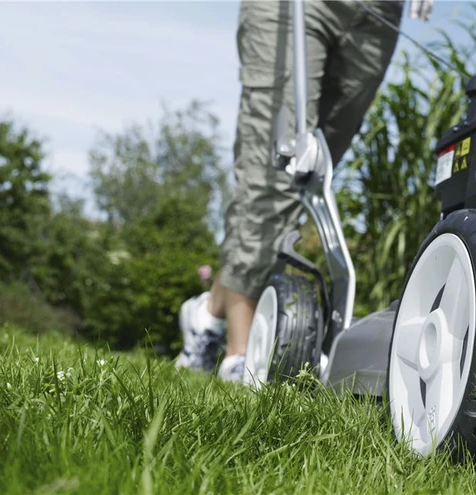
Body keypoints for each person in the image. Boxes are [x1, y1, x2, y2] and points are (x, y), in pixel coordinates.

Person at [175, 0, 433, 383]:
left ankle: (210, 311)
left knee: (310, 172)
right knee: (277, 165)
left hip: (377, 15)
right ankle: (241, 353)